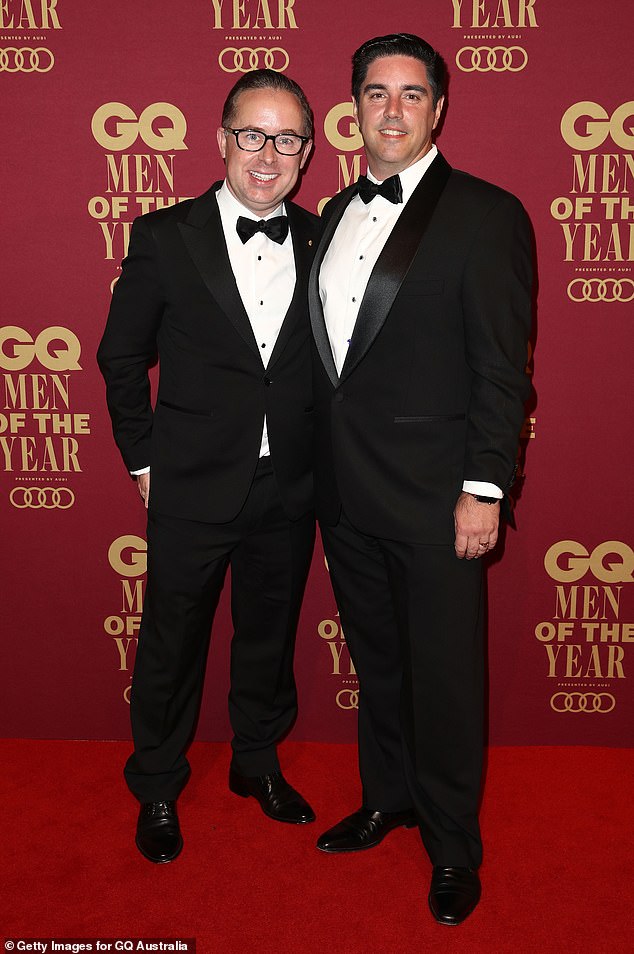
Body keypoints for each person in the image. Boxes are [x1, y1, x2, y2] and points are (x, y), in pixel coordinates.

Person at [309, 34, 532, 925]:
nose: (391, 110)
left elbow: (503, 370)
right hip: (345, 493)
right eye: (375, 93)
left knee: (442, 676)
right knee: (380, 662)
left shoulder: (487, 214)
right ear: (354, 107)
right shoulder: (329, 213)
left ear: (439, 109)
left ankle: (452, 844)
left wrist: (486, 486)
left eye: (411, 94)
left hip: (441, 498)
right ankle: (388, 797)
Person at [97, 69, 319, 864]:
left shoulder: (321, 238)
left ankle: (255, 763)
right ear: (222, 141)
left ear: (306, 152)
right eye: (252, 135)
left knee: (269, 634)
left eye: (287, 138)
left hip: (289, 482)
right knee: (171, 639)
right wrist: (142, 459)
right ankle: (157, 780)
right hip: (189, 481)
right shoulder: (163, 235)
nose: (268, 155)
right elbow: (120, 356)